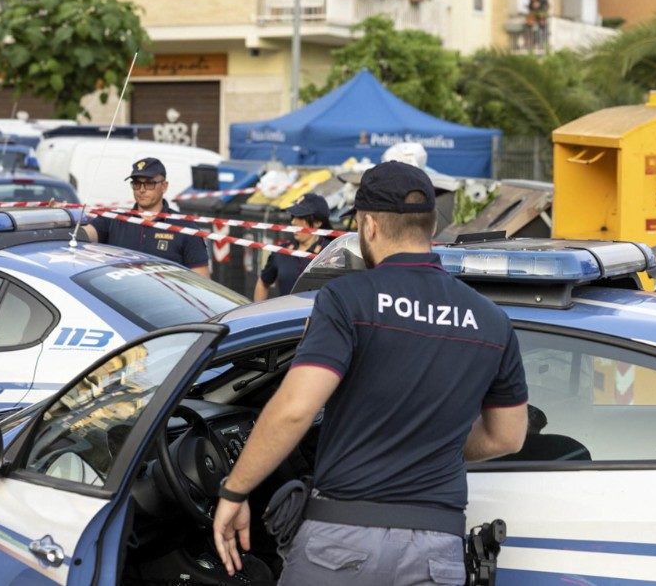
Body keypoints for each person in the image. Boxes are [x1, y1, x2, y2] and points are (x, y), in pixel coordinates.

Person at [211, 161, 529, 584]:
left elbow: (294, 409)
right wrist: (428, 445)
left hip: (342, 541)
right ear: (430, 227)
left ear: (369, 225)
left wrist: (235, 490)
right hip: (437, 549)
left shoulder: (346, 300)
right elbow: (507, 436)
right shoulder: (491, 320)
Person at [82, 157, 209, 277]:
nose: (141, 190)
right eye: (136, 184)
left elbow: (201, 285)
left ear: (164, 186)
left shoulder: (185, 227)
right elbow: (83, 234)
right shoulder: (114, 219)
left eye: (149, 184)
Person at [253, 193, 332, 301]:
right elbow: (263, 282)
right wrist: (258, 314)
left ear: (317, 222)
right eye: (293, 216)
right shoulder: (282, 251)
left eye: (300, 217)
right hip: (287, 315)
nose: (293, 222)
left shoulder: (331, 252)